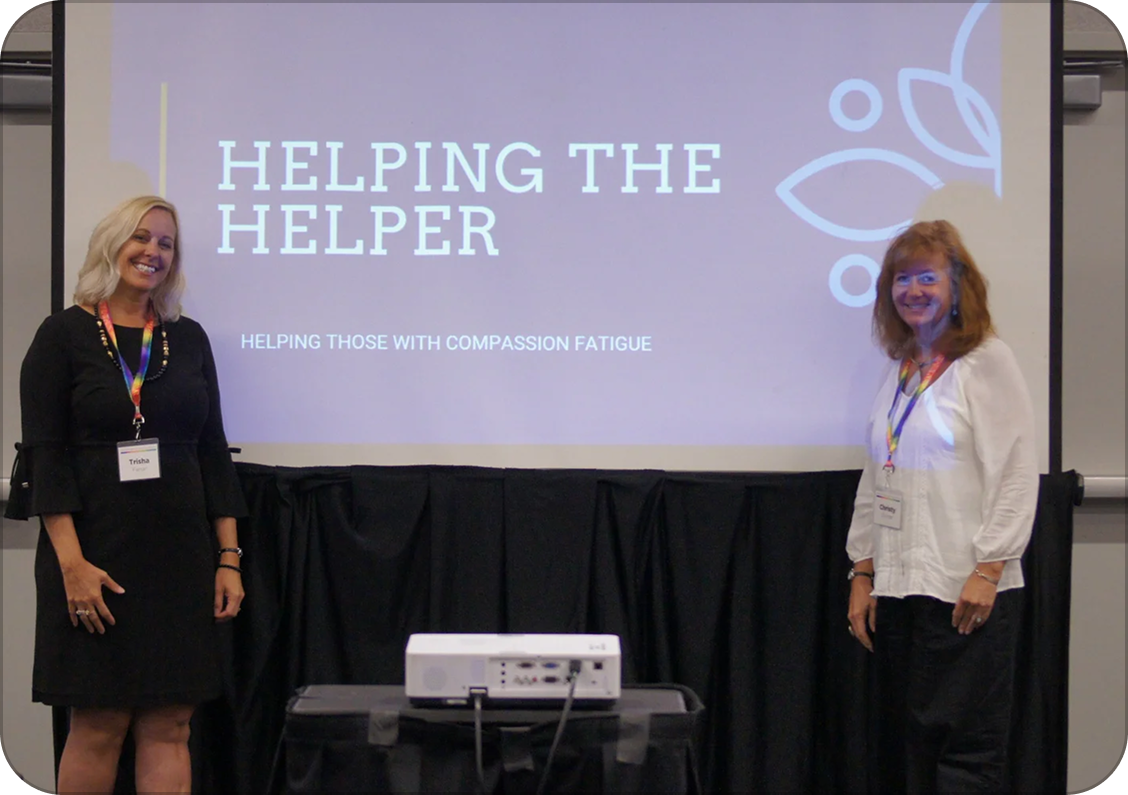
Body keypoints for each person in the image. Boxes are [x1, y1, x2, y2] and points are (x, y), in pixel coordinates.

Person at [4, 195, 248, 794]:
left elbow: (211, 449)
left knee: (171, 722)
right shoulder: (63, 335)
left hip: (178, 557)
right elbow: (45, 454)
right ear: (112, 245)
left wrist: (228, 557)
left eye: (166, 243)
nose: (153, 252)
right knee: (98, 723)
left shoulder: (187, 338)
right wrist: (72, 565)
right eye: (142, 238)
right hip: (93, 558)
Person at [844, 220, 1039, 793]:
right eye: (902, 279)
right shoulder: (901, 368)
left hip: (965, 588)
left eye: (928, 277)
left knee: (967, 754)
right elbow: (877, 472)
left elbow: (1016, 470)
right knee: (912, 746)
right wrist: (863, 570)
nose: (914, 290)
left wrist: (989, 566)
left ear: (959, 286)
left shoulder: (986, 360)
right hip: (903, 590)